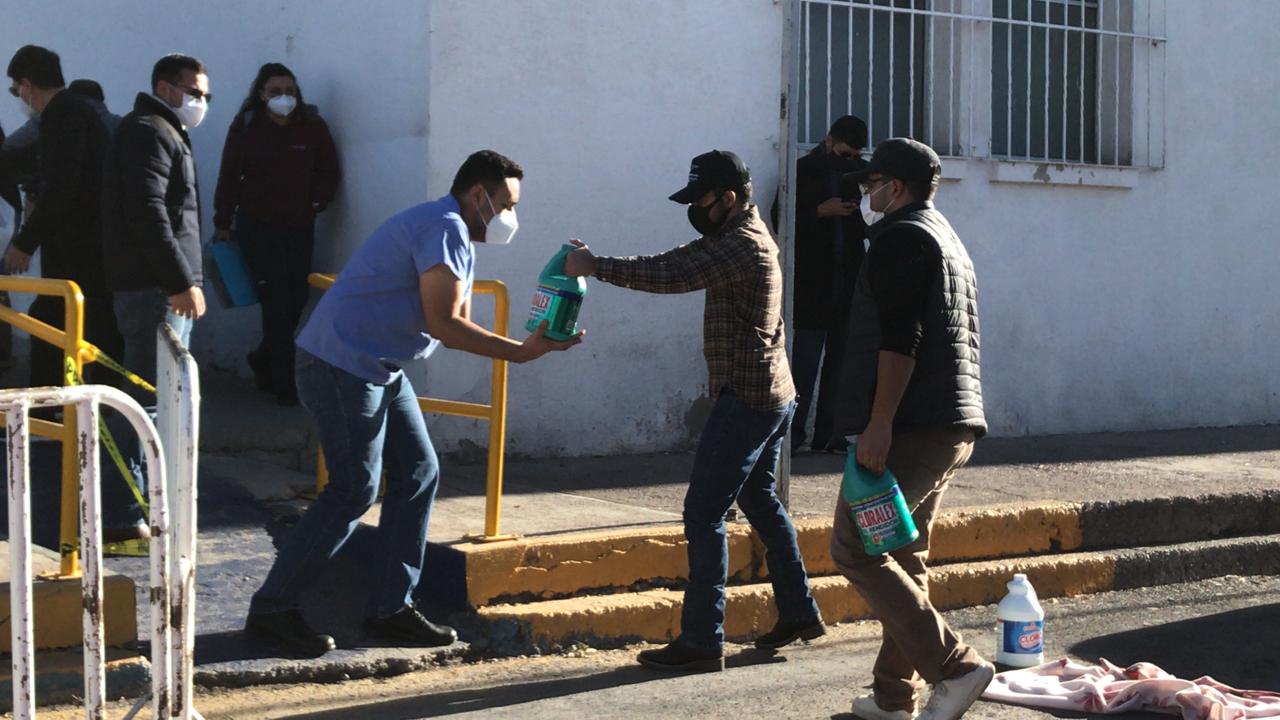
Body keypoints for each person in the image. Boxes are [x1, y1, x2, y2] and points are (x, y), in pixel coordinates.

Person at [245, 150, 581, 657]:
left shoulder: (454, 234)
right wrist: (520, 352)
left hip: (379, 366)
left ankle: (390, 608)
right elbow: (445, 325)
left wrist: (545, 313)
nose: (511, 216)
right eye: (506, 203)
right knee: (353, 490)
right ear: (478, 195)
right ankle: (273, 610)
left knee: (419, 473)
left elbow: (453, 319)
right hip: (343, 364)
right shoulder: (442, 227)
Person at [565, 150, 823, 673]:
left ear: (727, 199)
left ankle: (704, 638)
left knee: (704, 513)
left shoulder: (743, 247)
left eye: (700, 200)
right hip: (773, 393)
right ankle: (799, 611)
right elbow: (681, 257)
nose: (694, 209)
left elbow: (673, 275)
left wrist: (598, 267)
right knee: (761, 500)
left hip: (749, 400)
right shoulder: (734, 237)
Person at [829, 138, 993, 720]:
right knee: (904, 552)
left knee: (854, 548)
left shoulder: (902, 237)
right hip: (947, 422)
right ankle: (893, 698)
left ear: (895, 187)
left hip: (910, 427)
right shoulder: (943, 234)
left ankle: (956, 667)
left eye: (872, 183)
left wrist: (878, 425)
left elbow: (902, 340)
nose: (867, 193)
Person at [213, 62, 341, 405]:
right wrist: (222, 221)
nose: (284, 98)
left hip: (299, 225)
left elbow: (329, 169)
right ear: (260, 94)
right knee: (275, 300)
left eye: (290, 91)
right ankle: (284, 383)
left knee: (297, 297)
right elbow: (229, 173)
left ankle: (264, 358)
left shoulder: (312, 126)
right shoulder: (247, 126)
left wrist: (316, 203)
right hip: (257, 226)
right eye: (275, 92)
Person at [4, 46, 123, 389]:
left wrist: (24, 242)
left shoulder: (62, 115)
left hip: (78, 244)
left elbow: (62, 187)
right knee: (74, 321)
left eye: (16, 90)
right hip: (89, 241)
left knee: (54, 322)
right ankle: (73, 405)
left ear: (26, 85)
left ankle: (50, 406)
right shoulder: (77, 112)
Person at [101, 53, 210, 397]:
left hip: (162, 286)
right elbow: (148, 213)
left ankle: (151, 454)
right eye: (193, 92)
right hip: (155, 288)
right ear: (164, 87)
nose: (201, 102)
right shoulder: (149, 131)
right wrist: (181, 281)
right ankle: (131, 455)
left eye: (206, 96)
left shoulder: (164, 131)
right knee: (151, 396)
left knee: (167, 397)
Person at [780, 115, 868, 455]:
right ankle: (793, 435)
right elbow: (781, 217)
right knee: (803, 366)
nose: (849, 161)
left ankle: (830, 436)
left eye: (854, 155)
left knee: (841, 368)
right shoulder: (801, 171)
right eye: (845, 153)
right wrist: (820, 210)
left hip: (847, 286)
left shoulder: (858, 174)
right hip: (814, 287)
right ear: (829, 140)